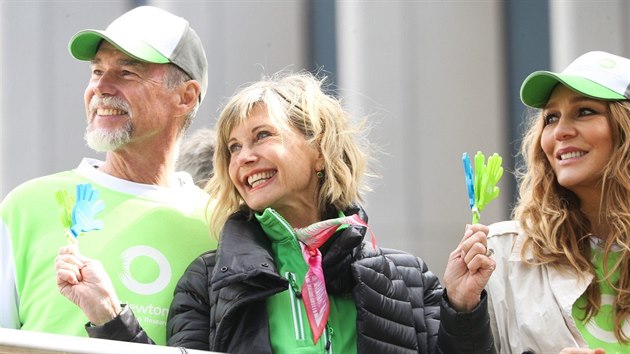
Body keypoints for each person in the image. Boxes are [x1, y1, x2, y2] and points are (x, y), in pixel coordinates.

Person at [162, 71, 496, 353]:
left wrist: (462, 306)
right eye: (233, 148)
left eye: (261, 135)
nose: (243, 157)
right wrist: (115, 319)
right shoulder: (205, 283)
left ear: (319, 151)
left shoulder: (408, 280)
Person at [0, 6, 216, 345]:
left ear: (185, 96)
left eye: (127, 73)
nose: (101, 86)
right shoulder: (24, 207)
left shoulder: (218, 224)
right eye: (97, 70)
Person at [485, 51, 630, 354]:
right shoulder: (503, 252)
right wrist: (458, 310)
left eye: (585, 111)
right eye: (551, 118)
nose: (560, 132)